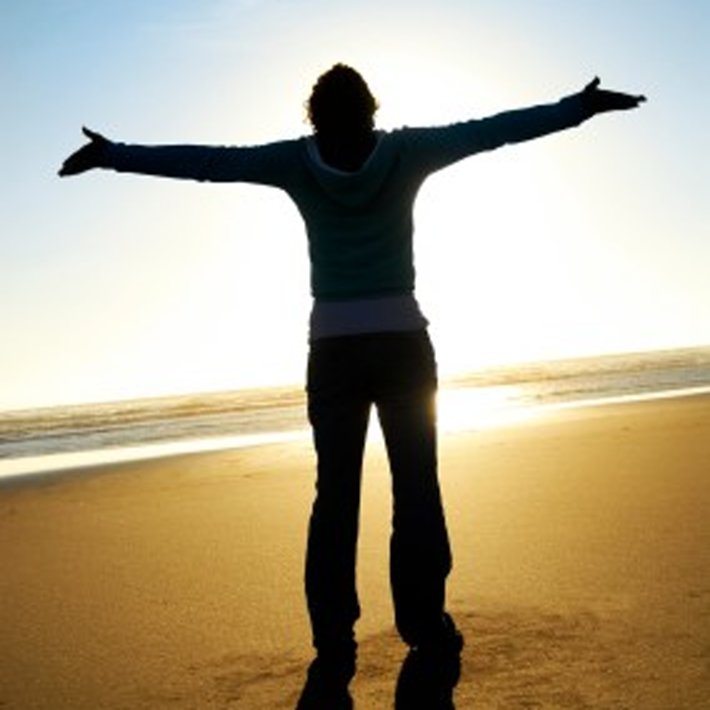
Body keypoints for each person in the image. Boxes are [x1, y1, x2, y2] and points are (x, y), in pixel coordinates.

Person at [59, 65, 645, 703]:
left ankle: (334, 642)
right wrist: (577, 107)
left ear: (314, 116)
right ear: (371, 108)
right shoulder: (406, 151)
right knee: (416, 489)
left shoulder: (296, 160)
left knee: (334, 499)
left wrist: (113, 155)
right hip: (402, 341)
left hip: (333, 347)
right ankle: (424, 625)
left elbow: (210, 163)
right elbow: (493, 131)